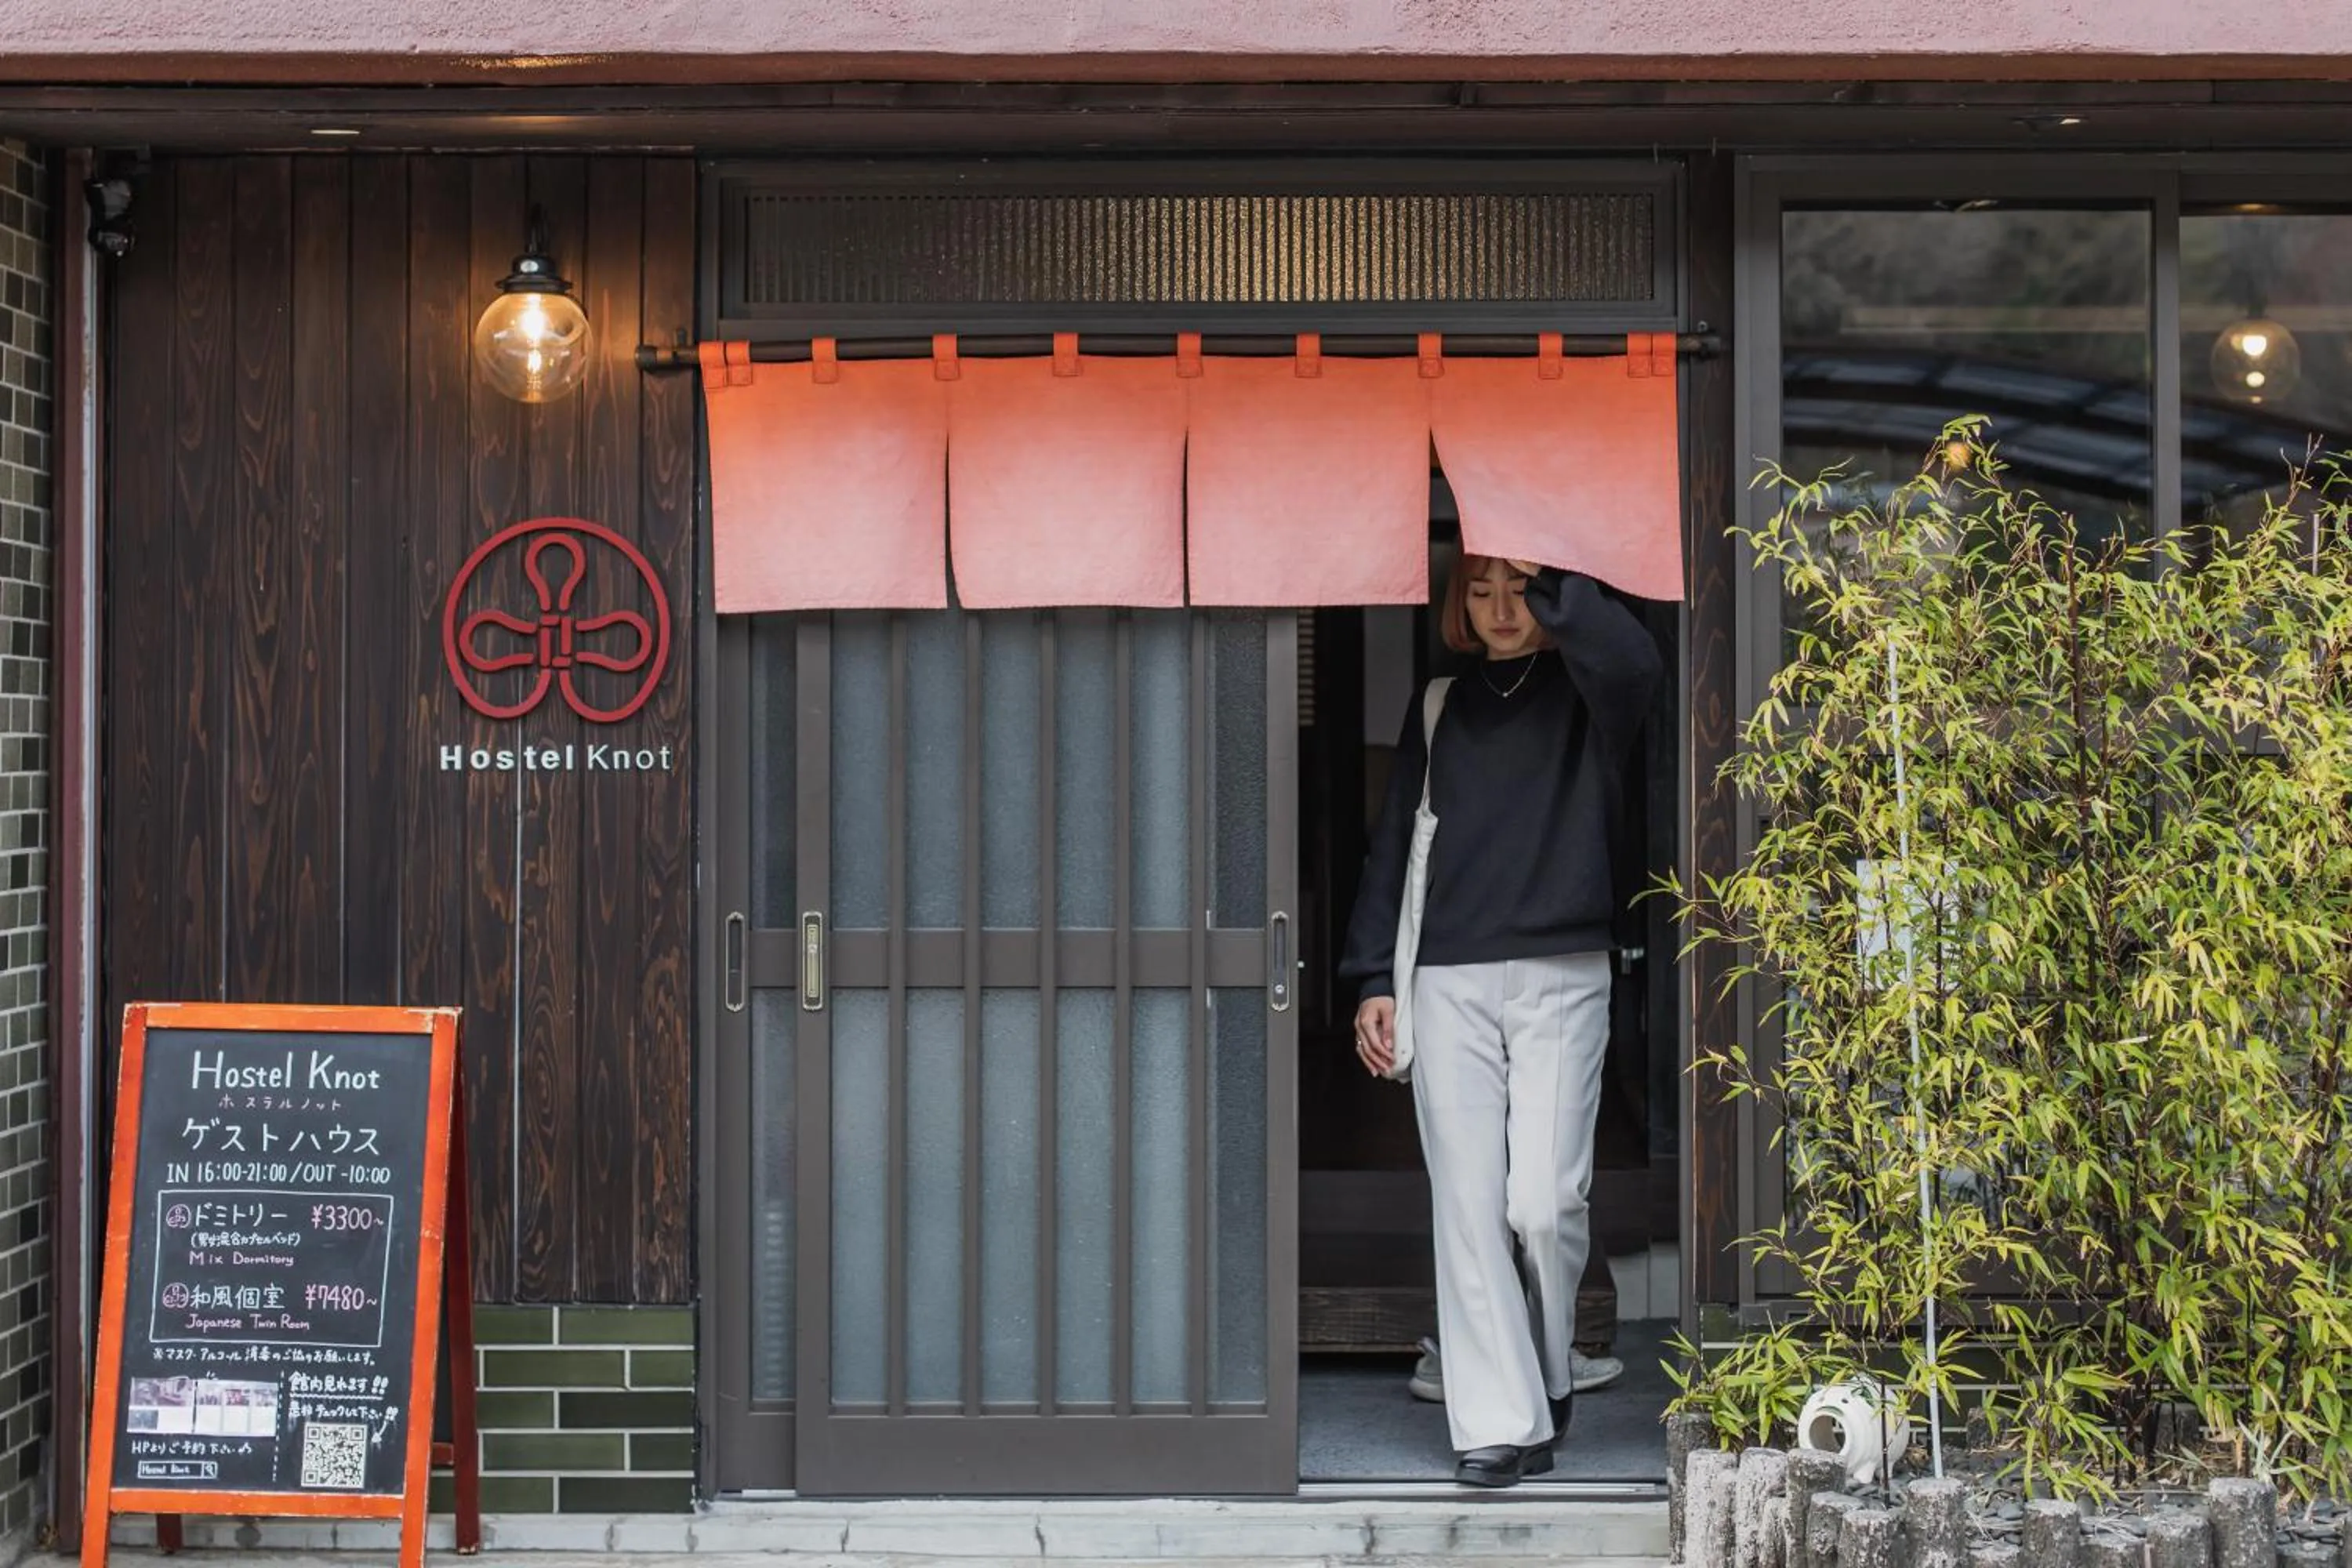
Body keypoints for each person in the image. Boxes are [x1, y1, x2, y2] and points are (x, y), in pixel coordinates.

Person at [1341, 553, 1661, 1488]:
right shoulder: (1441, 705)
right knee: (1469, 1202)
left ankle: (1549, 1360)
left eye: (1517, 591)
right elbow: (1394, 843)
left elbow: (1636, 660)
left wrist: (1547, 566)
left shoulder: (1592, 692)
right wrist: (1372, 977)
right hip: (1448, 976)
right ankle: (1497, 1422)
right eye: (1480, 592)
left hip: (1565, 968)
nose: (1500, 610)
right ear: (1457, 605)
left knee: (1543, 1201)